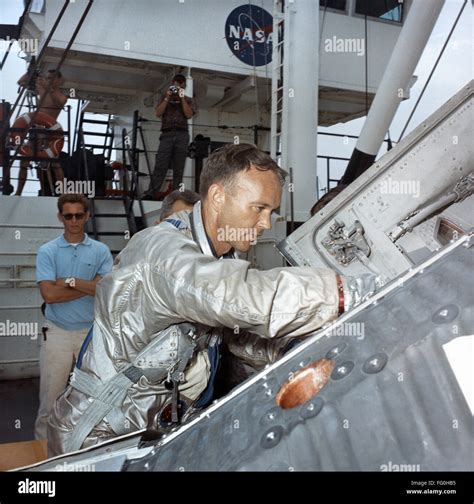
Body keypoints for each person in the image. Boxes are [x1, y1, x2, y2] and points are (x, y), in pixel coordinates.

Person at [47, 144, 378, 456]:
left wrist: (295, 352)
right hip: (98, 438)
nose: (266, 223)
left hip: (150, 434)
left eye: (272, 211)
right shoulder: (164, 254)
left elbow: (236, 336)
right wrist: (345, 291)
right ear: (218, 196)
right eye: (259, 208)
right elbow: (237, 296)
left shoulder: (217, 261)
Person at [35, 193, 113, 440]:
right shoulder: (47, 251)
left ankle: (83, 451)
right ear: (61, 217)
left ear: (87, 216)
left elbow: (104, 289)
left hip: (90, 335)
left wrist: (70, 282)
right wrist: (87, 286)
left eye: (79, 215)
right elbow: (49, 295)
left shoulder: (100, 251)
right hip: (57, 334)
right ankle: (42, 456)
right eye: (68, 215)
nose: (74, 220)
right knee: (50, 400)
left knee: (91, 401)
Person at [15, 69, 67, 196]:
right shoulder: (41, 88)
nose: (48, 80)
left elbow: (61, 101)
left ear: (58, 80)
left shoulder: (60, 95)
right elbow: (21, 82)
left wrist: (49, 88)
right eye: (47, 77)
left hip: (50, 132)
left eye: (51, 78)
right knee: (24, 161)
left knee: (55, 164)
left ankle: (64, 193)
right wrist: (31, 72)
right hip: (36, 130)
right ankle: (18, 192)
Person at [143, 74, 196, 199]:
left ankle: (176, 196)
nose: (177, 87)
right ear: (172, 84)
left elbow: (189, 115)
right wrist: (167, 97)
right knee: (160, 165)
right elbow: (158, 113)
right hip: (167, 134)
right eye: (176, 84)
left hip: (182, 134)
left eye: (180, 84)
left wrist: (182, 98)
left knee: (179, 167)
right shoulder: (164, 97)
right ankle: (151, 193)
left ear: (184, 86)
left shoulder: (188, 100)